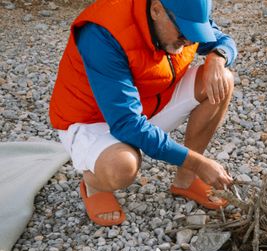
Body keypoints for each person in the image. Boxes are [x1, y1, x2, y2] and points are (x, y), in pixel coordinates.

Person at [49, 0, 237, 226]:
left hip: (145, 104)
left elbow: (223, 41)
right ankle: (95, 184)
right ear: (156, 9)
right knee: (122, 166)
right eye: (184, 32)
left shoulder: (183, 15)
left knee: (222, 80)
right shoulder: (102, 33)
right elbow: (127, 123)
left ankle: (186, 180)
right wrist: (198, 162)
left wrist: (218, 57)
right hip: (92, 120)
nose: (190, 41)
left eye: (194, 33)